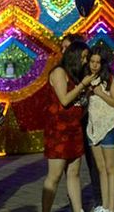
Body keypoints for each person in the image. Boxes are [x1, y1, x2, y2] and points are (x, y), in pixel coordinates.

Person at [42, 41, 95, 212]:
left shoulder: (75, 75)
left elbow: (80, 103)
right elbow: (64, 99)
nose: (85, 61)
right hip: (59, 131)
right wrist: (82, 85)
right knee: (55, 175)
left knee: (74, 173)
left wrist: (86, 92)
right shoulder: (59, 72)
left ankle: (78, 209)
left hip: (74, 129)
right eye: (84, 57)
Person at [86, 43, 114, 212]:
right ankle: (104, 205)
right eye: (92, 61)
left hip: (109, 124)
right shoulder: (86, 78)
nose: (94, 65)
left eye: (97, 62)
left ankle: (111, 206)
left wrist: (100, 93)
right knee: (100, 168)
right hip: (93, 126)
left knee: (110, 167)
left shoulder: (110, 78)